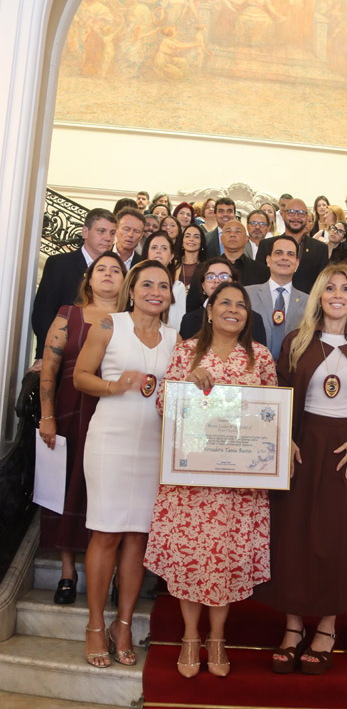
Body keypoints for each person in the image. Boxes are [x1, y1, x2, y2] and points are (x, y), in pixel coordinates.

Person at [255, 263, 347, 674]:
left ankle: (327, 628)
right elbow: (280, 394)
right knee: (294, 535)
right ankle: (293, 628)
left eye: (344, 289)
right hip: (302, 448)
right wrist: (287, 436)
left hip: (346, 452)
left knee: (336, 538)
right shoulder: (297, 341)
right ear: (318, 295)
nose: (337, 295)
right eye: (329, 288)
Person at [144, 282, 277, 678]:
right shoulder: (187, 351)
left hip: (239, 486)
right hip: (192, 481)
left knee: (225, 563)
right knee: (192, 560)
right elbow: (163, 403)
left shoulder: (261, 357)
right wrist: (188, 384)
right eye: (225, 303)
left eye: (241, 305)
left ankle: (216, 638)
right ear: (210, 309)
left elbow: (273, 414)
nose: (233, 310)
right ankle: (189, 636)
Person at [73, 261, 177, 669]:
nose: (156, 291)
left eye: (164, 286)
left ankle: (124, 623)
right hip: (111, 440)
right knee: (107, 533)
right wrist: (114, 386)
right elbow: (81, 376)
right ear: (131, 290)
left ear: (170, 295)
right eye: (147, 284)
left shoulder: (175, 337)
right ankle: (95, 625)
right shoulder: (107, 326)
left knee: (137, 537)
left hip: (154, 443)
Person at [38, 252, 127, 604]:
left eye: (115, 270)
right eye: (100, 269)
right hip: (72, 409)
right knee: (68, 487)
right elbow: (49, 369)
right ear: (88, 279)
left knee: (107, 490)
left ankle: (115, 572)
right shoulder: (67, 315)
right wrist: (47, 415)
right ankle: (67, 570)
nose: (107, 275)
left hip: (117, 411)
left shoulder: (132, 319)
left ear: (125, 280)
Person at [32, 208, 117, 361]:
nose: (108, 238)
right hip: (61, 357)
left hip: (103, 358)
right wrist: (49, 355)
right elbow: (43, 314)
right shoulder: (59, 264)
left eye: (112, 233)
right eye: (101, 231)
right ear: (85, 232)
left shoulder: (117, 271)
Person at [178, 256, 266, 344]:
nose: (216, 281)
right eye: (210, 277)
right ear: (203, 286)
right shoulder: (189, 320)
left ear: (234, 283)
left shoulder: (253, 319)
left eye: (223, 276)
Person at [246, 235, 308, 359]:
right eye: (279, 253)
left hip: (292, 372)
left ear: (297, 264)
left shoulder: (309, 302)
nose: (284, 258)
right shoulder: (247, 295)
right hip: (253, 369)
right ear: (268, 260)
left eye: (290, 254)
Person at [255, 199, 329, 294]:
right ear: (283, 215)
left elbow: (322, 285)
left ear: (307, 217)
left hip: (307, 306)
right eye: (291, 212)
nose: (296, 217)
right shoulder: (266, 245)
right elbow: (259, 280)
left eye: (301, 213)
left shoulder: (320, 249)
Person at [140, 230, 186, 332]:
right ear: (147, 252)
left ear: (171, 256)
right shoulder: (135, 282)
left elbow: (178, 325)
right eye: (154, 247)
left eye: (164, 248)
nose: (158, 251)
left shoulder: (178, 287)